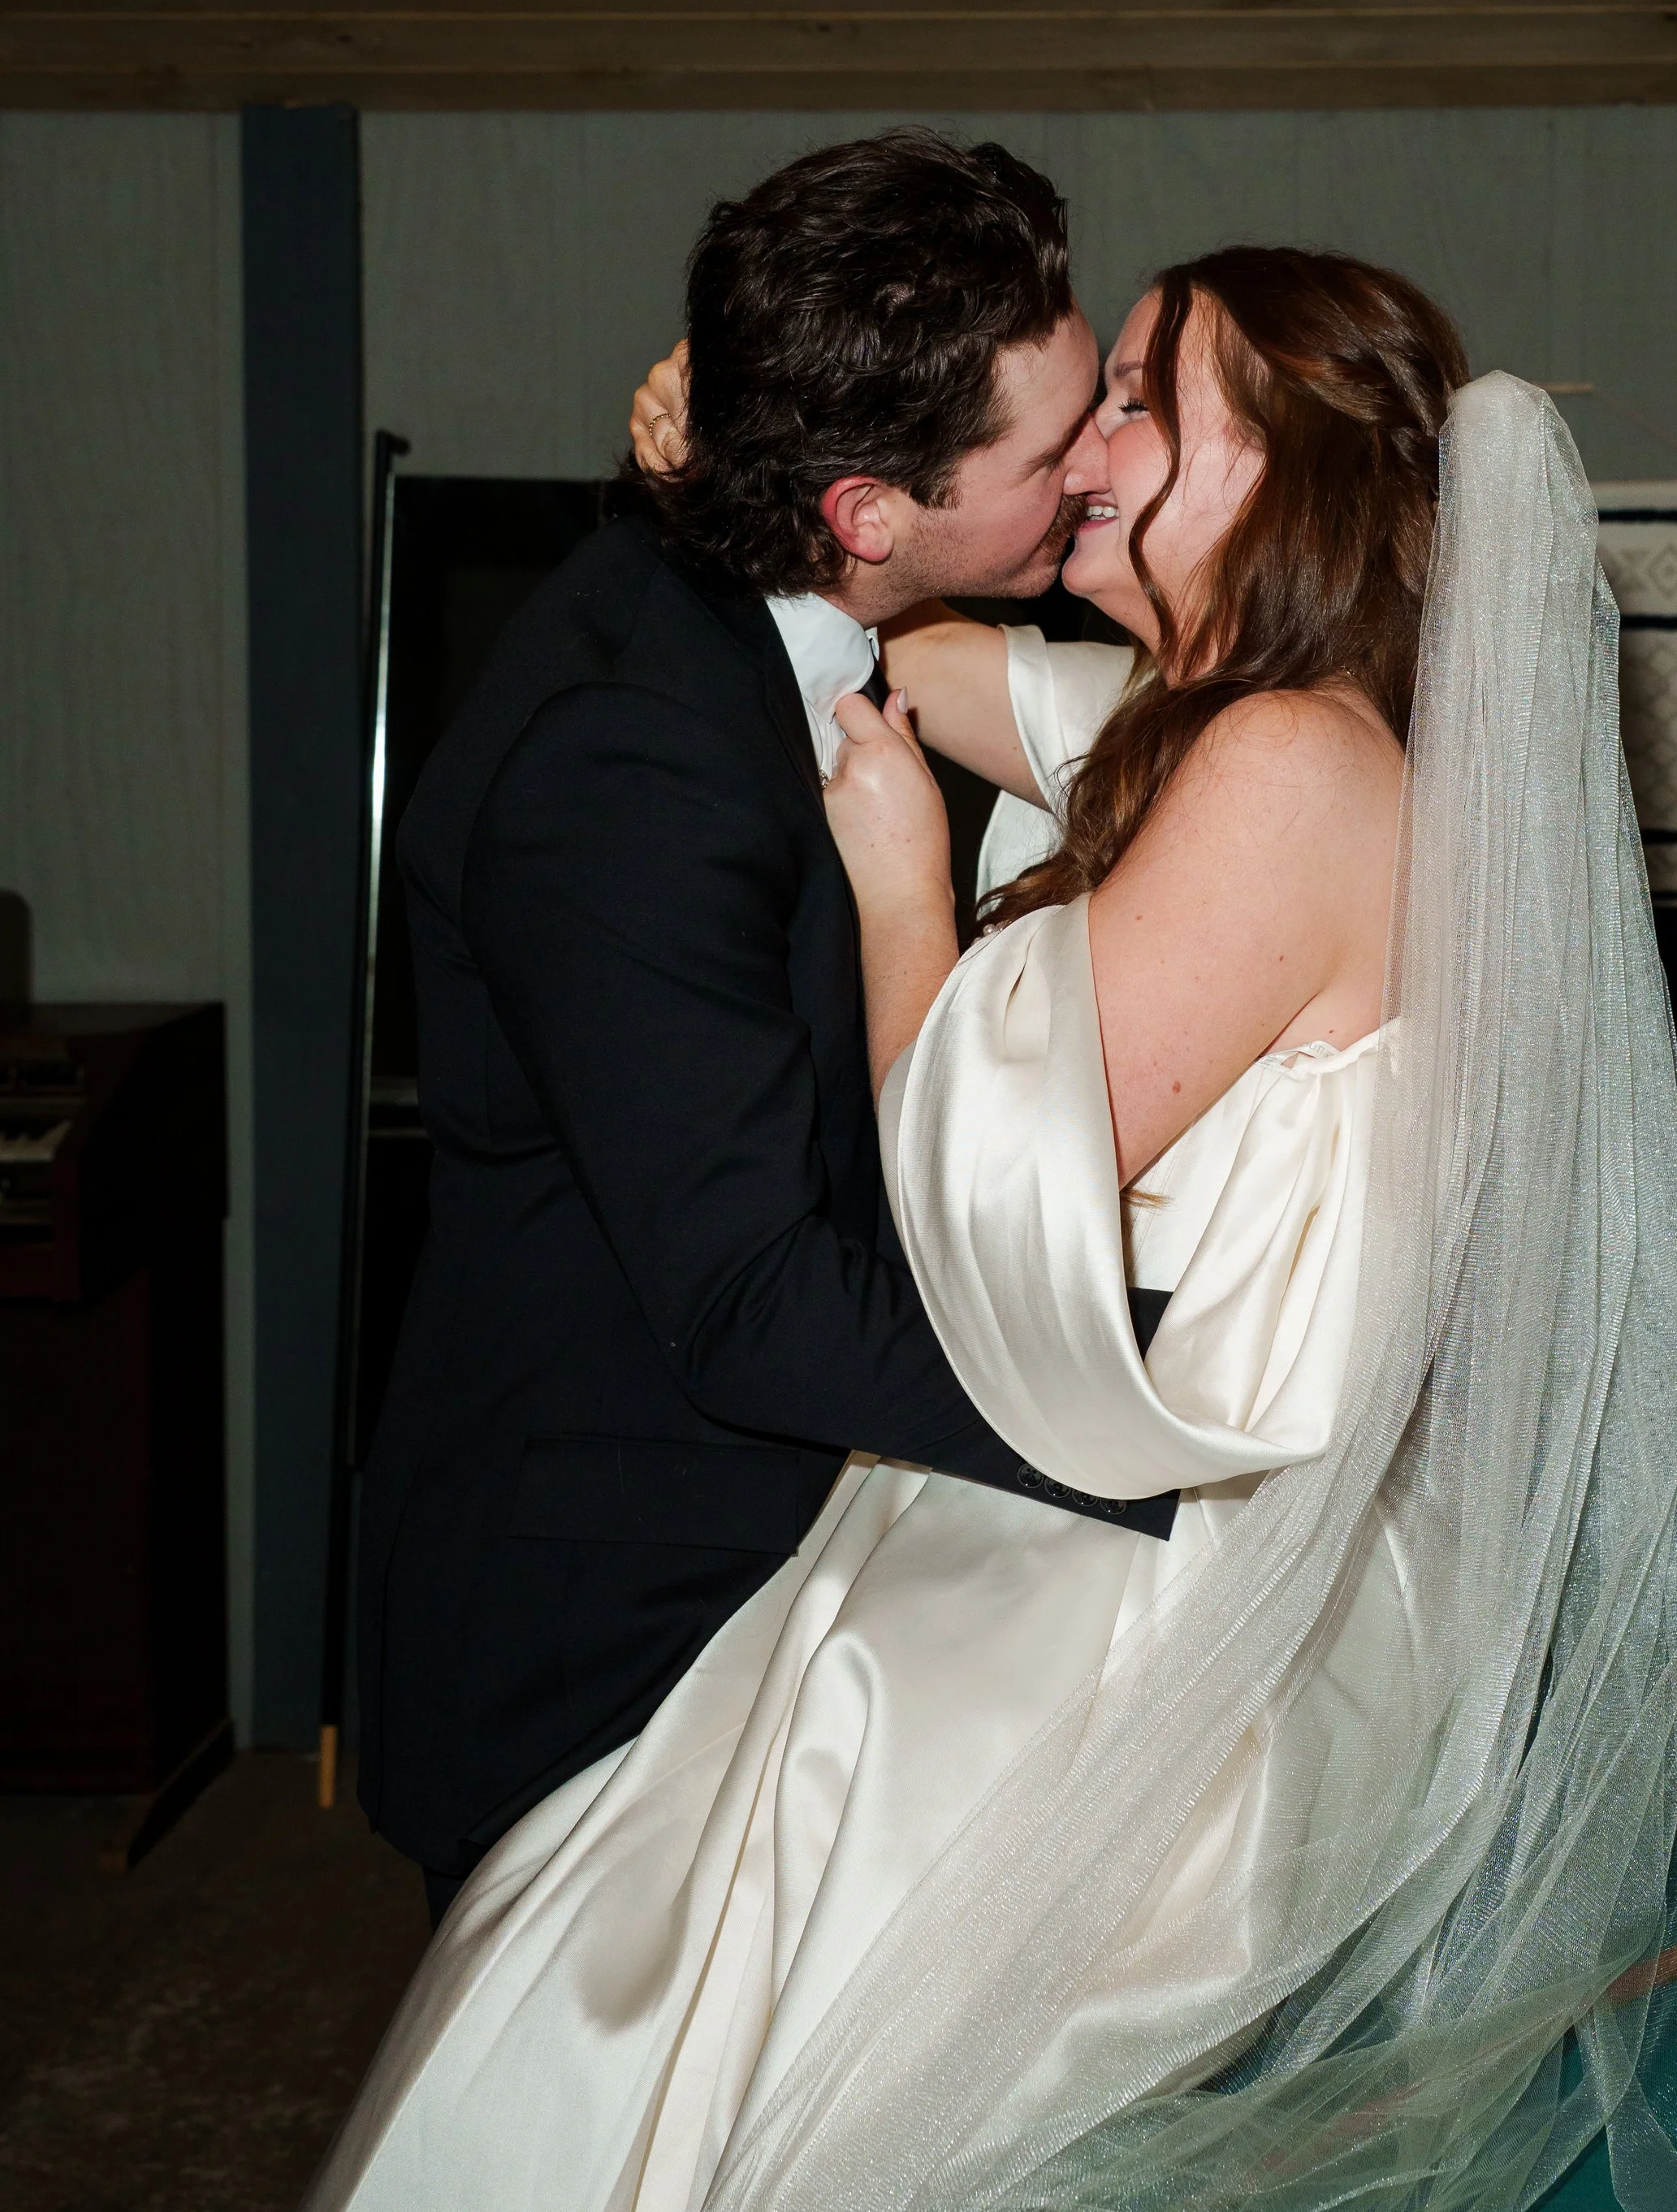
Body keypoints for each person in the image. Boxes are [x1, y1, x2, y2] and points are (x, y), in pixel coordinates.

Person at [234, 242, 1677, 2212]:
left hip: (1164, 1590)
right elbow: (905, 640)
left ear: (1288, 481)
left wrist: (909, 890)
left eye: (1147, 395)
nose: (1088, 440)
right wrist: (753, 467)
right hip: (1074, 1498)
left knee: (671, 2028)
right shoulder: (1203, 720)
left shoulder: (1285, 766)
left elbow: (965, 1216)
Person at [356, 127, 1172, 1927]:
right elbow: (746, 1306)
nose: (1095, 469)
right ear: (869, 517)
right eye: (1052, 449)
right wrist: (1194, 1400)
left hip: (775, 1565)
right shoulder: (626, 762)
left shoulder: (754, 609)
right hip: (617, 1626)